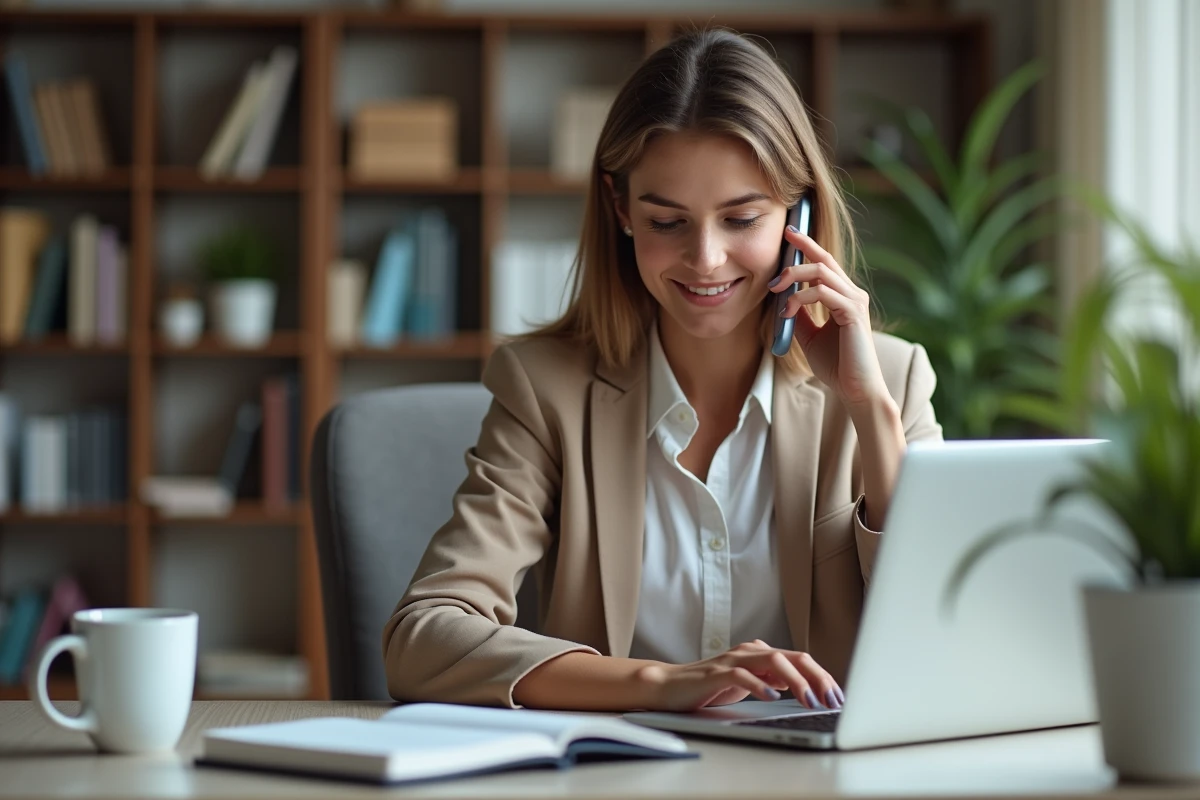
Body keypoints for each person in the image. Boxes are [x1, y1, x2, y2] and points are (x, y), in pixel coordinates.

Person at [383, 28, 942, 713]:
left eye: (741, 218)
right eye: (668, 222)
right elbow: (424, 637)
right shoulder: (546, 388)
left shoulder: (892, 381)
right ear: (621, 211)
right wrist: (663, 682)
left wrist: (869, 411)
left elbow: (945, 640)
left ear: (798, 217)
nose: (705, 259)